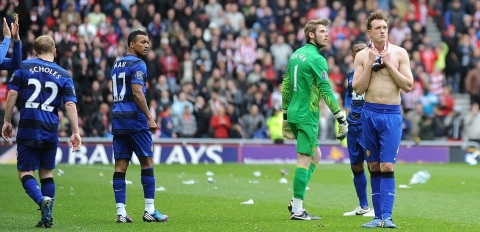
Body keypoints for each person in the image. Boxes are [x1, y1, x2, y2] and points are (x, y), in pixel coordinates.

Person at [2, 35, 81, 228]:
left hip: (29, 126)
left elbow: (12, 92)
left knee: (25, 171)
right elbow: (70, 103)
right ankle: (48, 216)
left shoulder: (24, 67)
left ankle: (40, 200)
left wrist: (6, 121)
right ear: (54, 51)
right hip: (50, 128)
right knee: (47, 173)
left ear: (34, 51)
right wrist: (75, 131)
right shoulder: (63, 74)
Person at [282, 18, 348, 220]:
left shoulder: (295, 54)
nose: (327, 34)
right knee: (304, 160)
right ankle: (298, 210)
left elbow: (285, 84)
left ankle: (296, 200)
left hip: (294, 113)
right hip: (307, 115)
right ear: (311, 35)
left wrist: (285, 116)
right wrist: (341, 119)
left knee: (316, 155)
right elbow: (326, 90)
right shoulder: (317, 59)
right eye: (322, 31)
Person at [352, 11, 413, 228]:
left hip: (391, 114)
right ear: (369, 32)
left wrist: (389, 65)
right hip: (369, 112)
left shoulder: (399, 53)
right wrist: (370, 63)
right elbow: (358, 88)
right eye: (378, 28)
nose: (383, 31)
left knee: (388, 165)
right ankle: (377, 217)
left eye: (385, 27)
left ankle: (387, 216)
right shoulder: (361, 57)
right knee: (374, 165)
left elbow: (408, 85)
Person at [110, 30, 168, 223]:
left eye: (148, 42)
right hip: (135, 120)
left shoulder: (117, 64)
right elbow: (137, 92)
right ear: (131, 44)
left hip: (118, 120)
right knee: (147, 164)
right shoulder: (138, 64)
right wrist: (150, 118)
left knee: (120, 167)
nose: (147, 45)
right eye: (142, 42)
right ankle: (149, 210)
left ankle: (120, 213)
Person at [343, 41, 375, 217]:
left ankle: (376, 207)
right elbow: (348, 94)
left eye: (363, 50)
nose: (359, 53)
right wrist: (348, 109)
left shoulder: (373, 73)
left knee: (373, 165)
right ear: (352, 55)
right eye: (356, 51)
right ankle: (363, 206)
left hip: (366, 125)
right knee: (356, 166)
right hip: (353, 126)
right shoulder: (351, 73)